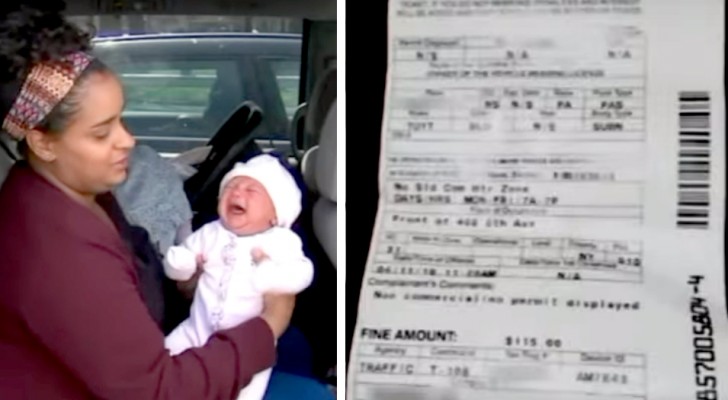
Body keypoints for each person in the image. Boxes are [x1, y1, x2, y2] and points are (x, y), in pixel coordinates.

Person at [0, 3, 296, 398]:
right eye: (102, 132)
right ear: (42, 142)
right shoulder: (53, 247)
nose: (127, 140)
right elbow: (157, 391)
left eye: (121, 120)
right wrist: (268, 326)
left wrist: (188, 285)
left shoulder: (80, 196)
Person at [164, 154, 315, 400]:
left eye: (251, 190)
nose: (236, 193)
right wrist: (182, 263)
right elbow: (187, 253)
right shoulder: (210, 232)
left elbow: (301, 273)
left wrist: (271, 275)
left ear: (275, 215)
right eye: (231, 186)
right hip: (197, 328)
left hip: (247, 339)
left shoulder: (282, 242)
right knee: (163, 361)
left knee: (246, 387)